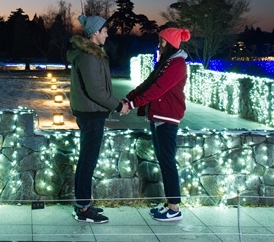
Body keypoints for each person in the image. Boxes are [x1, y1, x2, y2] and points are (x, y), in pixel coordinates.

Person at [67, 14, 131, 224]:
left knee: (87, 159)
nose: (107, 33)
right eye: (105, 30)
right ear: (95, 32)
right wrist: (118, 106)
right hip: (91, 114)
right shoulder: (88, 56)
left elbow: (99, 88)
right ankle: (83, 209)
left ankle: (83, 204)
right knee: (88, 161)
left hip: (92, 113)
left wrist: (114, 101)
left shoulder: (94, 54)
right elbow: (95, 91)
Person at [126, 27, 191, 222]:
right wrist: (129, 99)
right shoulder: (166, 62)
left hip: (168, 117)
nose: (159, 45)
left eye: (162, 41)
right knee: (164, 161)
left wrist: (133, 104)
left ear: (170, 43)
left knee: (168, 162)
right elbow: (148, 83)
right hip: (158, 116)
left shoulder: (177, 64)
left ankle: (174, 207)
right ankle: (169, 203)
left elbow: (158, 89)